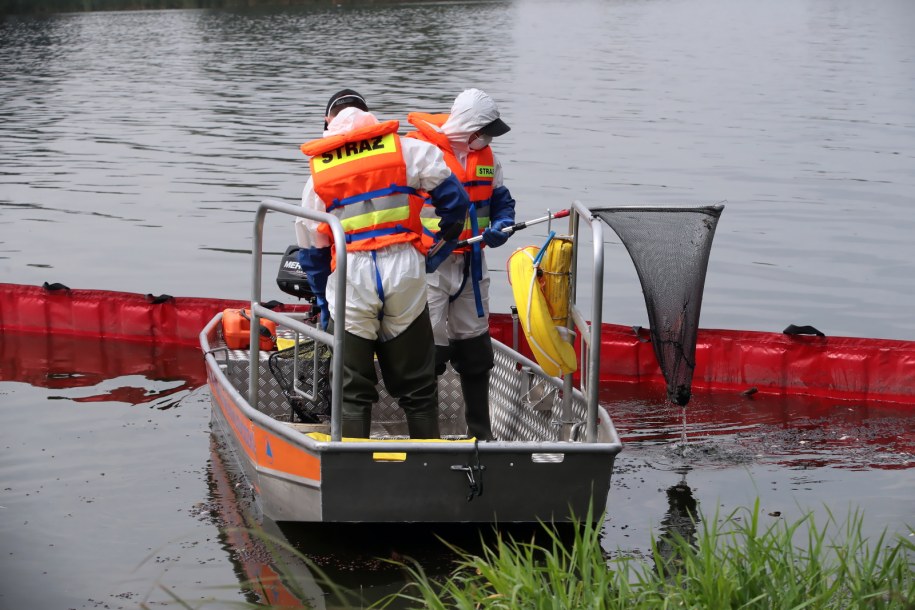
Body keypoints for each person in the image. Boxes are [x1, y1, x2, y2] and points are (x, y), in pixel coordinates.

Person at [294, 89, 470, 440]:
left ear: (329, 122)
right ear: (369, 115)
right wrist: (436, 249)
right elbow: (456, 202)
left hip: (351, 274)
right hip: (404, 269)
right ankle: (428, 464)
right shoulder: (409, 149)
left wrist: (321, 298)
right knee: (418, 386)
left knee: (351, 387)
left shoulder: (318, 175)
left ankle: (353, 467)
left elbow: (312, 249)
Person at [406, 88, 517, 441]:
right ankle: (425, 438)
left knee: (475, 349)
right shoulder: (417, 154)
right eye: (484, 129)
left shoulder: (488, 158)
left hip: (472, 262)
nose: (487, 137)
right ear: (469, 125)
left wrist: (502, 225)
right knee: (428, 348)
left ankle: (481, 436)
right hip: (430, 263)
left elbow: (501, 200)